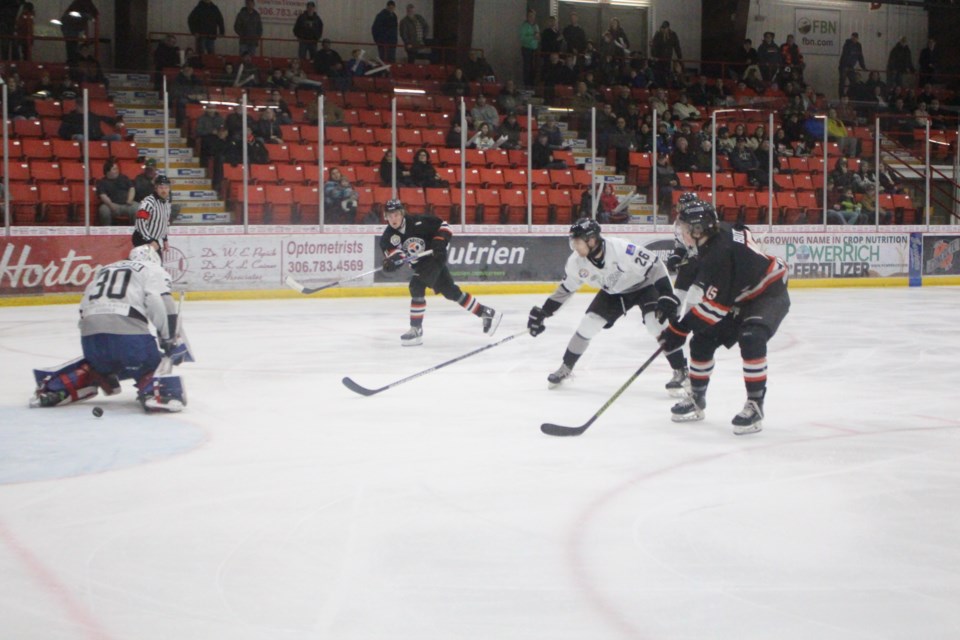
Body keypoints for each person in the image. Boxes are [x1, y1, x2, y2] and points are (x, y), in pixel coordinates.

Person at [657, 199, 790, 435]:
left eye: (686, 229)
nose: (683, 234)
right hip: (741, 294)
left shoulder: (720, 255)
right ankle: (697, 398)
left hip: (768, 293)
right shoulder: (720, 235)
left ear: (700, 230)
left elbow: (714, 308)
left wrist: (678, 330)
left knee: (751, 338)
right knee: (701, 341)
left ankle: (755, 405)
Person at [527, 217, 689, 392]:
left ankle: (681, 369)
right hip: (615, 292)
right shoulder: (576, 262)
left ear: (592, 240)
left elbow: (655, 265)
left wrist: (666, 294)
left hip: (645, 286)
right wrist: (545, 312)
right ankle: (566, 368)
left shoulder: (621, 249)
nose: (574, 247)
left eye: (577, 242)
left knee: (655, 324)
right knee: (588, 324)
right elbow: (566, 289)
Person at [29, 244, 187, 413]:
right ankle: (157, 393)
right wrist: (167, 336)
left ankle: (59, 387)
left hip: (91, 335)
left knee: (97, 365)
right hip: (128, 332)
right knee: (152, 363)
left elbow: (84, 304)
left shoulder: (105, 269)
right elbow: (159, 302)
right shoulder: (152, 269)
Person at [379, 199, 502, 346]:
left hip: (435, 258)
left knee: (416, 286)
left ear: (402, 213)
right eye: (390, 216)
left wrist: (440, 240)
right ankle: (485, 313)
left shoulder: (419, 221)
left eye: (396, 215)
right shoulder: (387, 237)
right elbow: (397, 255)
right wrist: (392, 262)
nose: (393, 219)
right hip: (421, 266)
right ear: (386, 217)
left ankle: (416, 329)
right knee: (452, 293)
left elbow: (444, 226)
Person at [133, 175, 173, 248]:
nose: (164, 190)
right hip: (142, 239)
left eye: (166, 188)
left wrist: (165, 239)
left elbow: (165, 222)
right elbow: (140, 223)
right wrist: (149, 240)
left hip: (153, 239)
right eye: (161, 188)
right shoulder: (148, 202)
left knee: (158, 259)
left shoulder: (167, 203)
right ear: (156, 188)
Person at [96, 159, 138, 226]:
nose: (117, 171)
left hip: (127, 205)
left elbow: (132, 188)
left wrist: (130, 199)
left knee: (138, 208)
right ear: (108, 171)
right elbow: (103, 195)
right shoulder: (102, 182)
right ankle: (106, 231)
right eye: (114, 169)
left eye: (117, 169)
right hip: (112, 205)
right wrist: (110, 205)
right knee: (103, 210)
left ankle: (136, 231)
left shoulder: (124, 178)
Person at [651, 21, 681, 86]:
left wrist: (680, 58)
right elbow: (654, 46)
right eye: (663, 28)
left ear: (668, 28)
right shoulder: (658, 35)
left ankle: (665, 87)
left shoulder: (673, 35)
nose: (664, 30)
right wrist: (654, 55)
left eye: (665, 28)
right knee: (658, 74)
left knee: (666, 74)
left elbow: (677, 47)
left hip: (667, 58)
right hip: (658, 58)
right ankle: (659, 86)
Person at [519, 8, 539, 88]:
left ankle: (533, 84)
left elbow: (538, 36)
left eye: (533, 16)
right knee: (527, 68)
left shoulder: (536, 26)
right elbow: (522, 38)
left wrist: (537, 37)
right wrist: (532, 37)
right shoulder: (524, 26)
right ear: (527, 17)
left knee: (534, 68)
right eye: (530, 16)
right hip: (527, 49)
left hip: (535, 49)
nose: (532, 18)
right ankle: (527, 85)